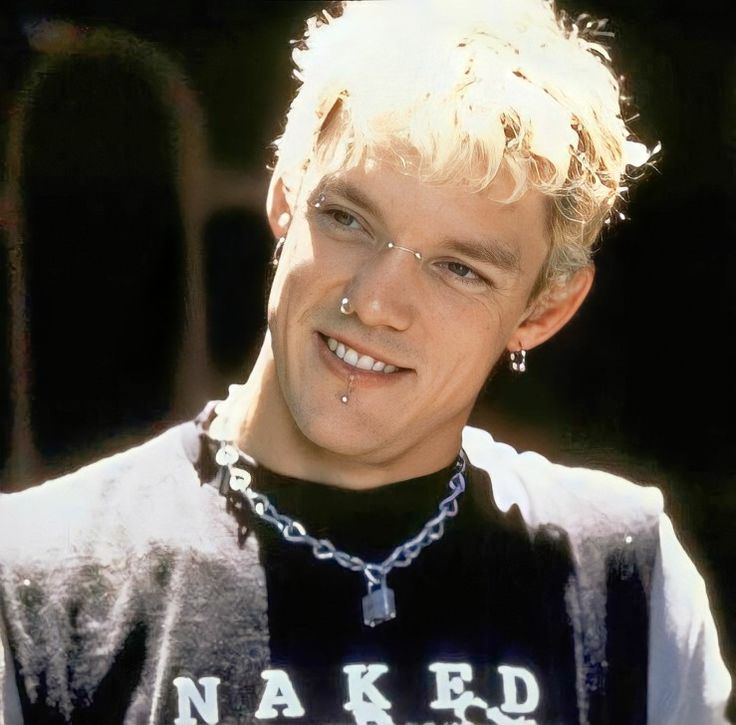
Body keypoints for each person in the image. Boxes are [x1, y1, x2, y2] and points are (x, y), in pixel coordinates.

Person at [0, 1, 731, 723]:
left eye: (458, 268)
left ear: (543, 311)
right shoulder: (38, 575)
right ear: (286, 195)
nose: (377, 302)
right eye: (348, 219)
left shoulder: (624, 572)